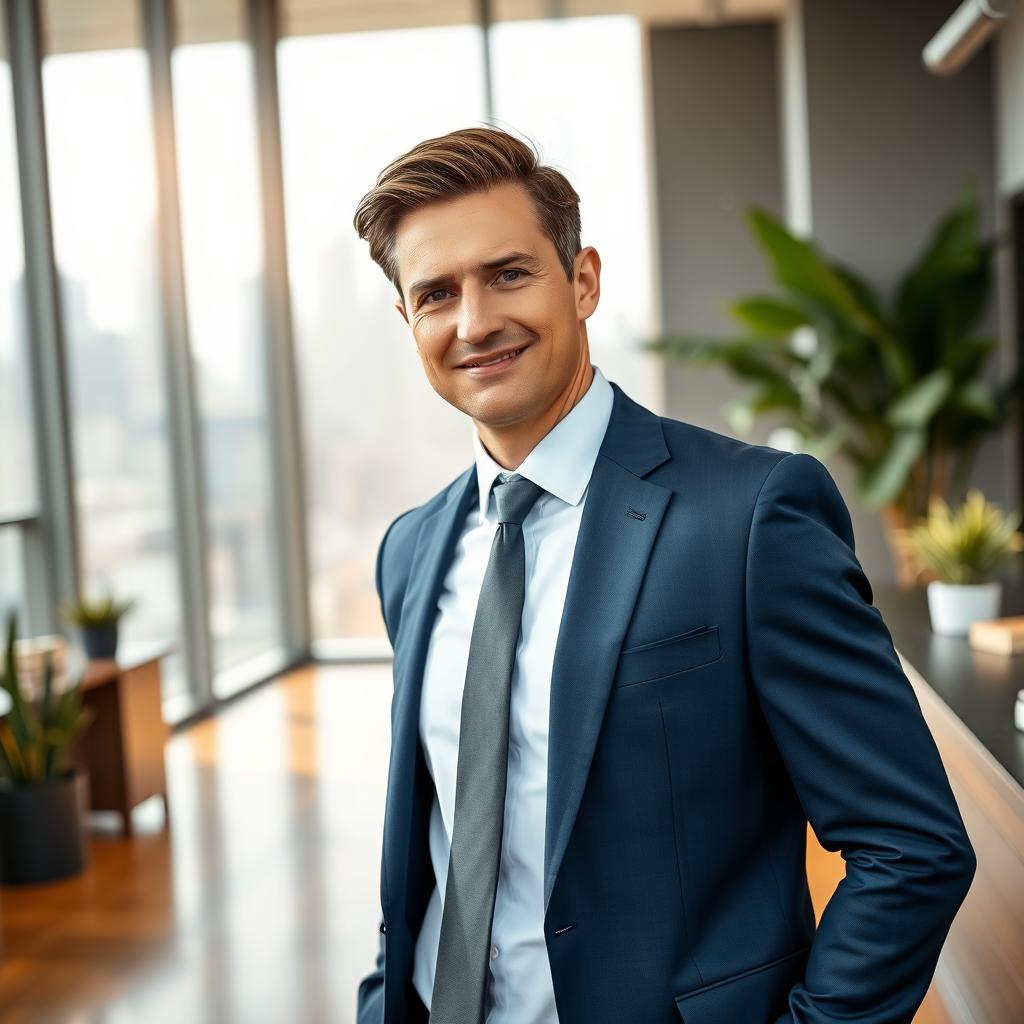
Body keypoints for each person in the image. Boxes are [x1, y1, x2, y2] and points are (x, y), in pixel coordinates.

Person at [351, 125, 976, 1024]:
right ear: (409, 321)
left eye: (509, 274)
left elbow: (910, 845)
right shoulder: (410, 551)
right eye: (436, 293)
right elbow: (434, 848)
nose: (475, 321)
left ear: (583, 280)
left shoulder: (753, 517)